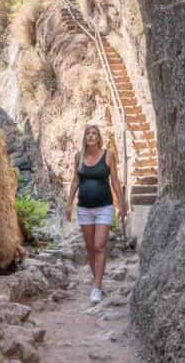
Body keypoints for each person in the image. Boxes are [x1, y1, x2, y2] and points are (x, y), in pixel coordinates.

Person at [65, 124, 127, 303]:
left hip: (104, 208)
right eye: (88, 134)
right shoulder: (79, 157)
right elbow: (75, 181)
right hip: (84, 208)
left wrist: (121, 203)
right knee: (90, 247)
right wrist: (69, 205)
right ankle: (97, 281)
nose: (91, 136)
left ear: (99, 138)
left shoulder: (108, 156)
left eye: (94, 134)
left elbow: (114, 180)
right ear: (85, 138)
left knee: (99, 246)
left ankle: (97, 287)